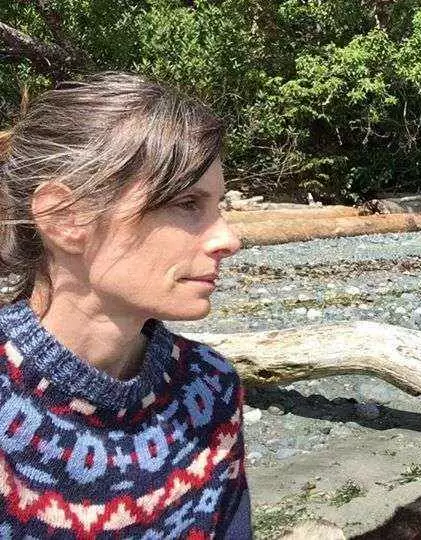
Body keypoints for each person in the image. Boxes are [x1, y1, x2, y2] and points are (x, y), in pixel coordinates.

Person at [0, 72, 250, 538]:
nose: (228, 239)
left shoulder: (210, 388)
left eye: (218, 206)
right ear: (65, 218)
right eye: (187, 203)